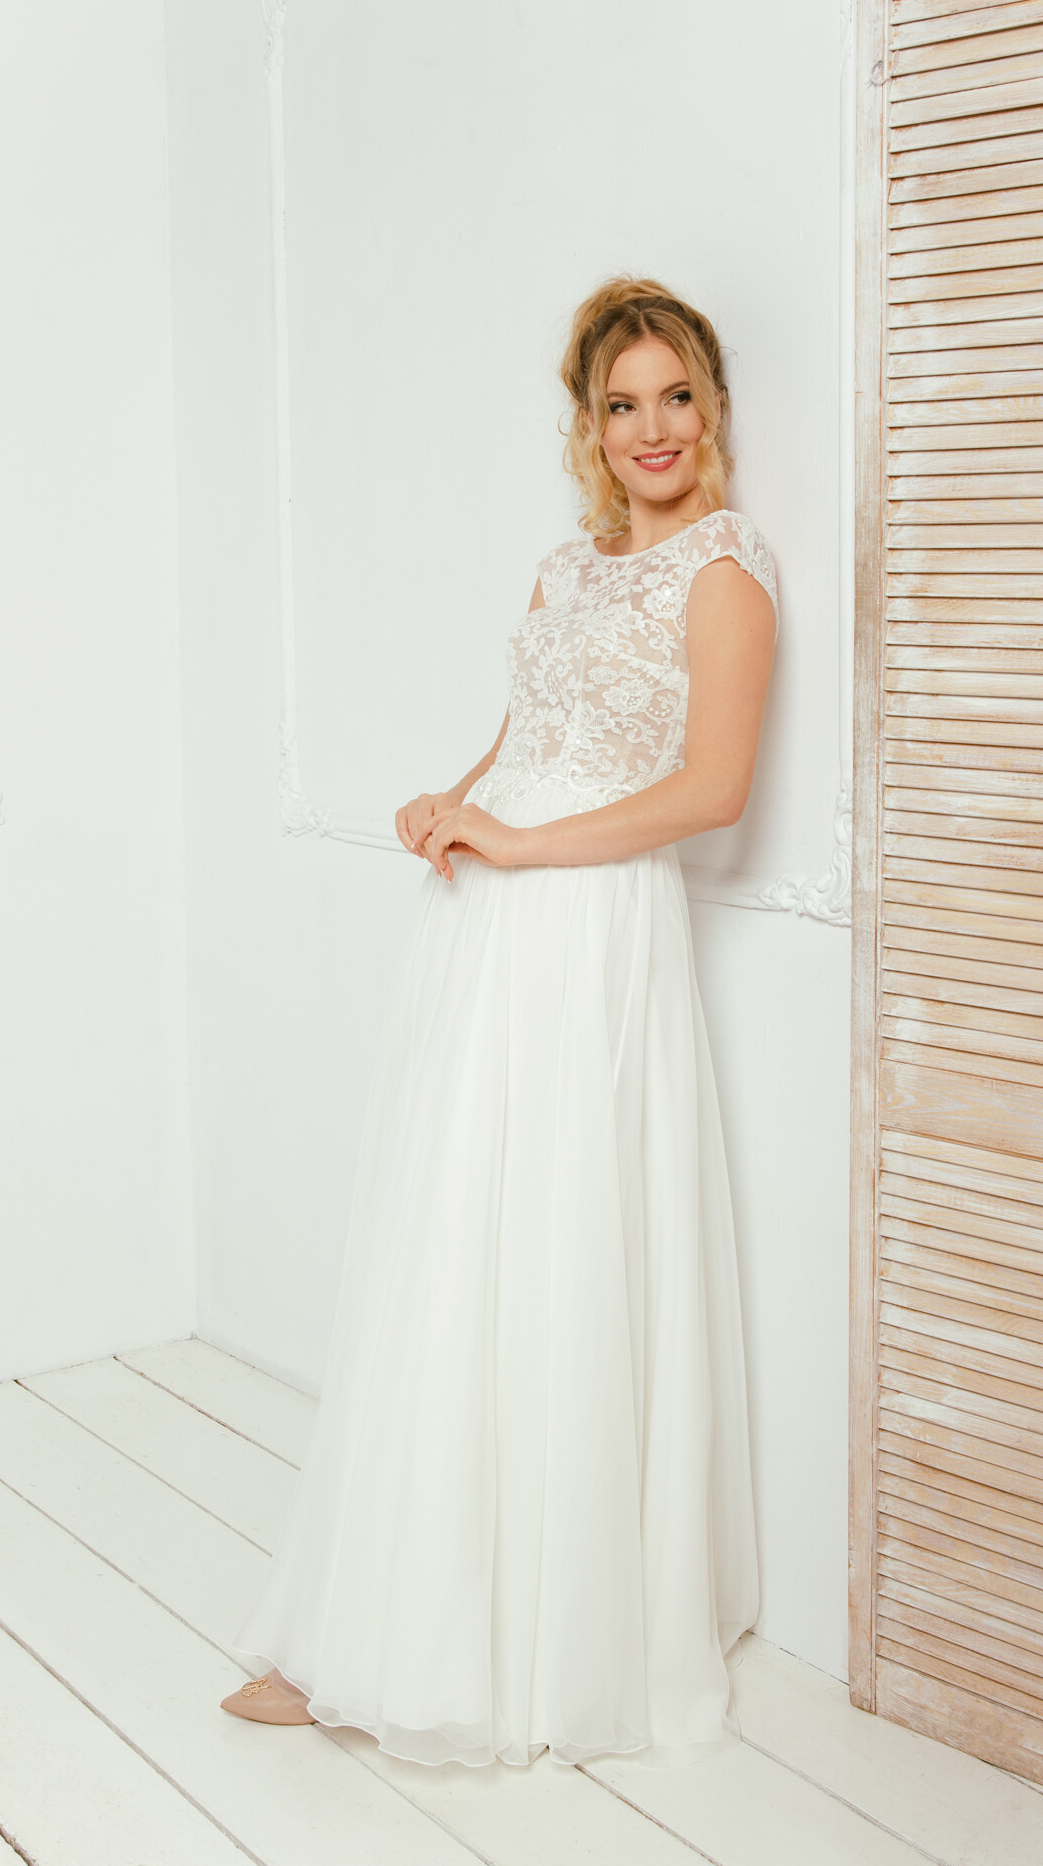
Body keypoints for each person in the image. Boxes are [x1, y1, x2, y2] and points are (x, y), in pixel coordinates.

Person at [220, 277, 778, 1768]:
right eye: (621, 404)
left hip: (592, 930)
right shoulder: (566, 568)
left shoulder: (727, 571)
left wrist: (524, 845)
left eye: (675, 396)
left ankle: (541, 1646)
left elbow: (711, 789)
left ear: (711, 408)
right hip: (491, 926)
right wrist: (453, 802)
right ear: (587, 426)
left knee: (557, 1244)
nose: (653, 428)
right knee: (452, 1242)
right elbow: (528, 736)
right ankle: (375, 1628)